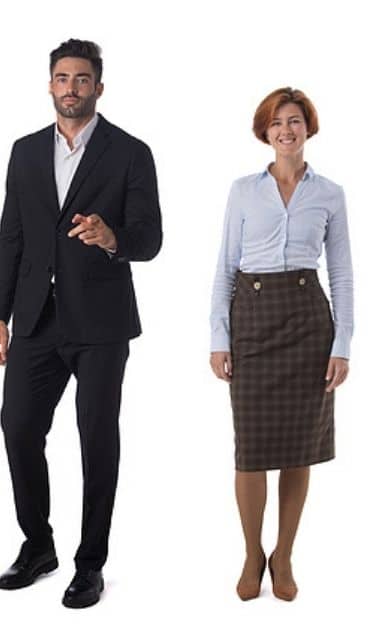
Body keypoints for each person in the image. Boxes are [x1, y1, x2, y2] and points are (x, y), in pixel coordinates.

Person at [0, 39, 162, 609]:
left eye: (83, 78)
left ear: (99, 85)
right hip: (35, 321)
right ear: (50, 85)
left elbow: (151, 237)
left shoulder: (129, 153)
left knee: (96, 441)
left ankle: (89, 564)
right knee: (17, 427)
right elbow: (11, 238)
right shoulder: (22, 152)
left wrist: (113, 237)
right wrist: (0, 315)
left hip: (100, 322)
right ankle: (38, 544)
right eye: (62, 78)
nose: (72, 87)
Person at [209, 87, 353, 602]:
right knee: (249, 451)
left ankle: (284, 553)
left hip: (307, 322)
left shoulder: (330, 193)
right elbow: (225, 266)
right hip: (251, 318)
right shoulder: (243, 190)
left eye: (294, 121)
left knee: (300, 449)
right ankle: (252, 552)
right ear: (265, 132)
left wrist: (343, 344)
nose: (286, 130)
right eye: (276, 123)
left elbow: (340, 273)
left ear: (307, 128)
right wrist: (217, 337)